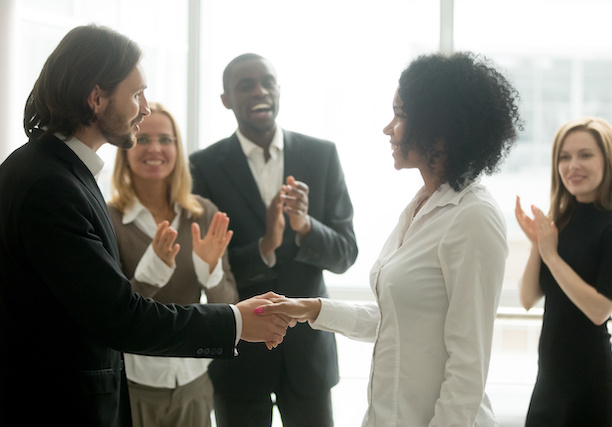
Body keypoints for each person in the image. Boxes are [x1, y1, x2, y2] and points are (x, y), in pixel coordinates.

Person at [0, 25, 289, 427]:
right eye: (136, 94)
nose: (146, 107)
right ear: (97, 98)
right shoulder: (50, 185)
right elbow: (120, 316)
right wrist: (236, 322)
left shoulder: (57, 173)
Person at [255, 51, 523, 426]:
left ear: (438, 129)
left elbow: (468, 367)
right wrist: (313, 309)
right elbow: (398, 320)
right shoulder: (420, 206)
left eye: (400, 115)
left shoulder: (473, 217)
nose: (388, 128)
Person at [189, 53, 358, 427]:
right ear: (226, 99)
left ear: (279, 89)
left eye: (267, 82)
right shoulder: (202, 165)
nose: (259, 91)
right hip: (238, 353)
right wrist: (265, 245)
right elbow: (208, 264)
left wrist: (304, 226)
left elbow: (346, 254)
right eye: (245, 85)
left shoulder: (322, 154)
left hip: (308, 354)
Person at [108, 101, 239, 427]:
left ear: (178, 149)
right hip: (134, 385)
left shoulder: (203, 213)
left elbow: (228, 306)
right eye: (143, 138)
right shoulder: (109, 218)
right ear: (125, 148)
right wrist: (151, 273)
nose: (155, 148)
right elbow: (111, 315)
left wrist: (210, 272)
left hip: (193, 381)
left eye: (165, 139)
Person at [515, 117, 612, 426]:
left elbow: (598, 310)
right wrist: (537, 244)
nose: (573, 165)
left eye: (585, 154)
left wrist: (551, 255)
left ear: (606, 161)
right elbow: (528, 299)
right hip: (548, 385)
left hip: (591, 389)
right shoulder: (560, 224)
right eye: (564, 156)